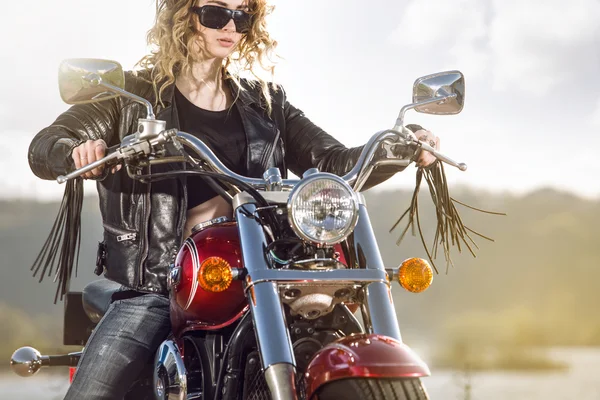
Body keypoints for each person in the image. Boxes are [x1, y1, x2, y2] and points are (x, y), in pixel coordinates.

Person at [28, 0, 439, 398]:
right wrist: (77, 150)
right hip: (160, 281)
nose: (230, 26)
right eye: (216, 12)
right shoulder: (129, 98)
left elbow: (332, 160)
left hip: (261, 267)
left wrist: (402, 145)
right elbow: (45, 144)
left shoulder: (264, 101)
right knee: (95, 391)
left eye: (242, 16)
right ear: (183, 14)